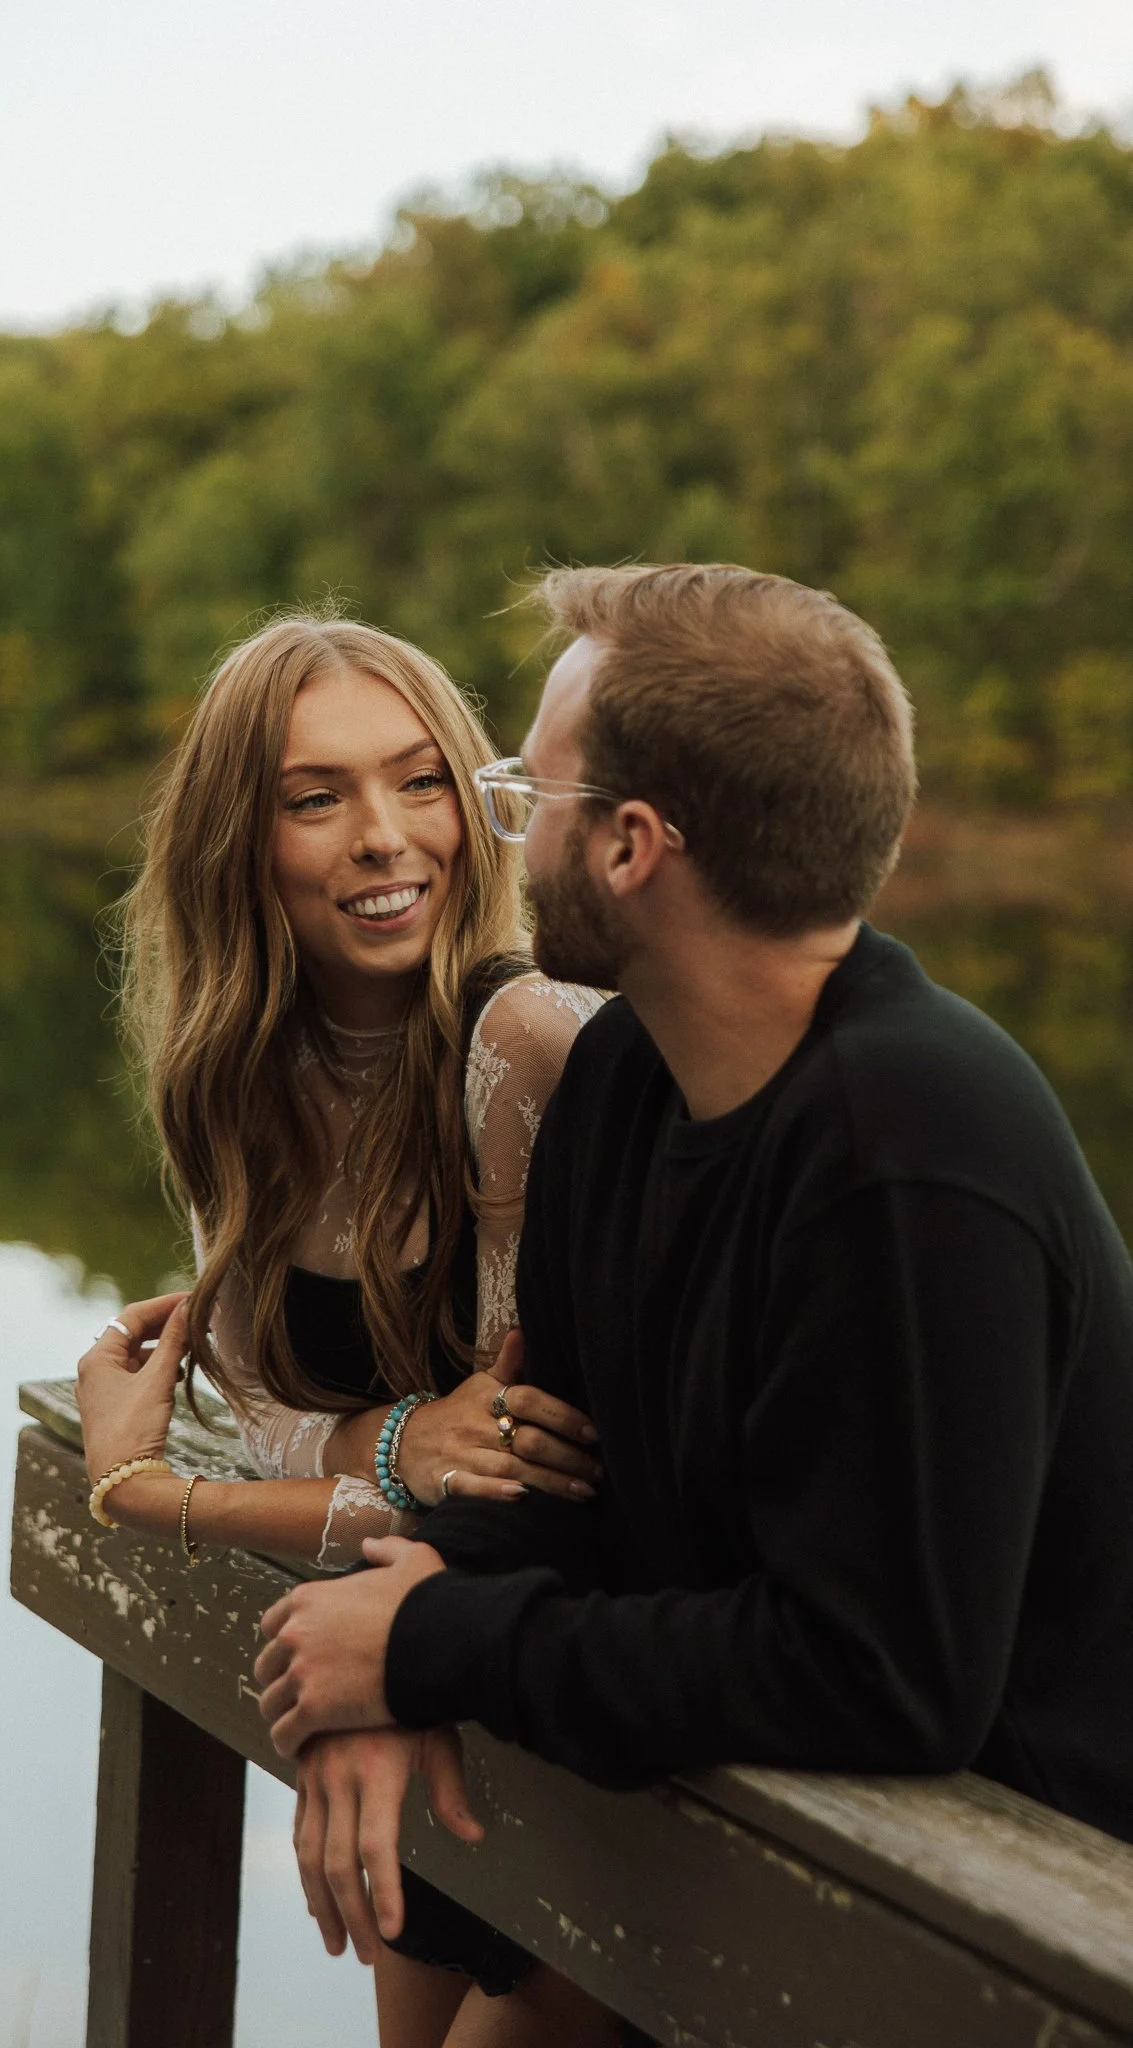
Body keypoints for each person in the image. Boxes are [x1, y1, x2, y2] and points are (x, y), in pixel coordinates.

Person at [253, 564, 1133, 2024]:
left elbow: (877, 1677)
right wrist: (394, 1626)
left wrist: (430, 1646)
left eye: (528, 801)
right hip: (763, 1865)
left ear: (631, 848)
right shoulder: (621, 1079)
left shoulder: (912, 1153)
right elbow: (550, 1459)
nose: (501, 841)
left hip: (1007, 1939)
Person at [72, 612, 615, 2047]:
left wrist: (152, 1494)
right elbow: (279, 1416)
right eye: (317, 798)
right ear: (237, 843)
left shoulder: (531, 1046)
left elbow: (508, 1475)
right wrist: (388, 1445)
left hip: (574, 1742)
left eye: (420, 780)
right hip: (405, 1710)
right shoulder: (227, 1079)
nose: (385, 835)